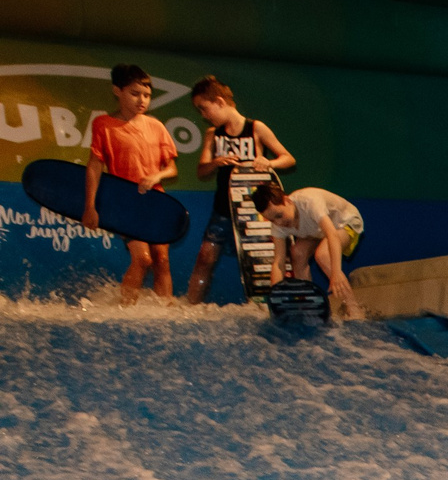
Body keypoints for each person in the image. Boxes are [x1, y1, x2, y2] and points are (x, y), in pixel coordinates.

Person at [183, 77, 294, 305]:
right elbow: (202, 171)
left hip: (257, 211)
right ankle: (191, 307)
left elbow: (288, 159)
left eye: (204, 108)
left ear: (220, 101)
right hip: (223, 208)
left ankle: (271, 304)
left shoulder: (256, 128)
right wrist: (216, 162)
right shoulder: (213, 134)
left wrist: (269, 163)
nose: (203, 115)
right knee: (205, 257)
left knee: (261, 261)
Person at [81, 64, 178, 304]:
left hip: (156, 201)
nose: (142, 100)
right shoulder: (103, 124)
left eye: (146, 95)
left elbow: (172, 168)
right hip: (124, 202)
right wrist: (90, 205)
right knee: (142, 259)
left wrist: (157, 176)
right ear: (117, 91)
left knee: (161, 260)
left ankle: (164, 316)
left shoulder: (156, 126)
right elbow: (95, 165)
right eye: (135, 94)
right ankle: (124, 313)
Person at [256, 183, 366, 319]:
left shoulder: (309, 203)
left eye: (279, 215)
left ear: (287, 200)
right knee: (297, 253)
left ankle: (354, 308)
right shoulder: (278, 225)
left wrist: (336, 272)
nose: (278, 223)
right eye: (272, 219)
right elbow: (278, 263)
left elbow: (332, 235)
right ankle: (307, 304)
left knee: (323, 255)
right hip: (317, 231)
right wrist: (275, 298)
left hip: (345, 222)